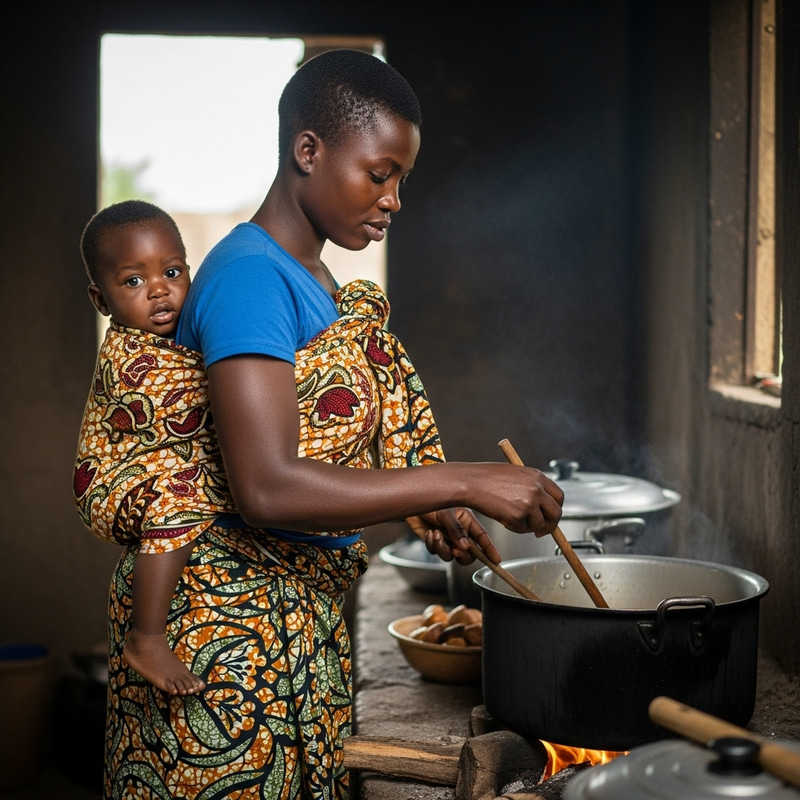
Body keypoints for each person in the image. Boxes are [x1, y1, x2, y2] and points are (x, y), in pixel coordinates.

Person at [85, 50, 564, 800]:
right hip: (225, 653)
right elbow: (267, 488)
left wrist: (421, 501)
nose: (395, 199)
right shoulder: (250, 279)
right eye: (380, 174)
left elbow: (315, 442)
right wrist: (469, 477)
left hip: (287, 631)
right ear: (307, 150)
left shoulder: (310, 276)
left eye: (401, 178)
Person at [75, 200, 219, 696]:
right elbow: (196, 403)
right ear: (102, 300)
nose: (159, 289)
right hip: (107, 485)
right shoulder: (128, 360)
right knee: (179, 494)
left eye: (173, 271)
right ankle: (147, 637)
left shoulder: (179, 337)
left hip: (144, 473)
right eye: (133, 281)